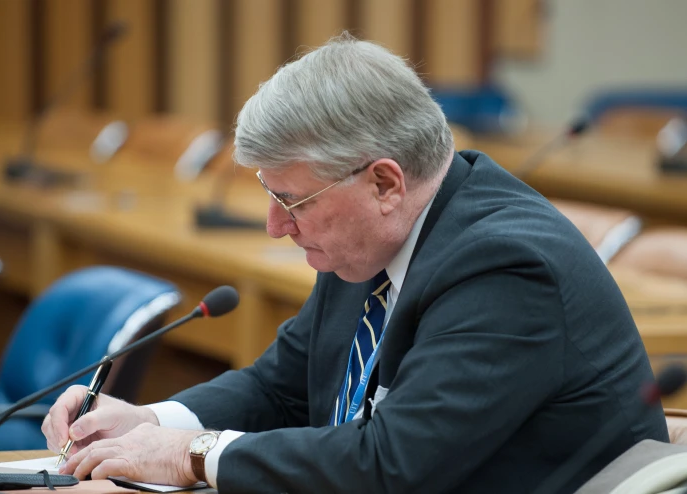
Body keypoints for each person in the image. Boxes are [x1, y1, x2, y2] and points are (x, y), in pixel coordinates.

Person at [42, 33, 668, 493]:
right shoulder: (371, 241)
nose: (275, 226)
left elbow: (391, 466)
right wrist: (151, 421)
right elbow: (277, 387)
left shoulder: (506, 267)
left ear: (385, 183)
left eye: (293, 201)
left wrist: (194, 454)